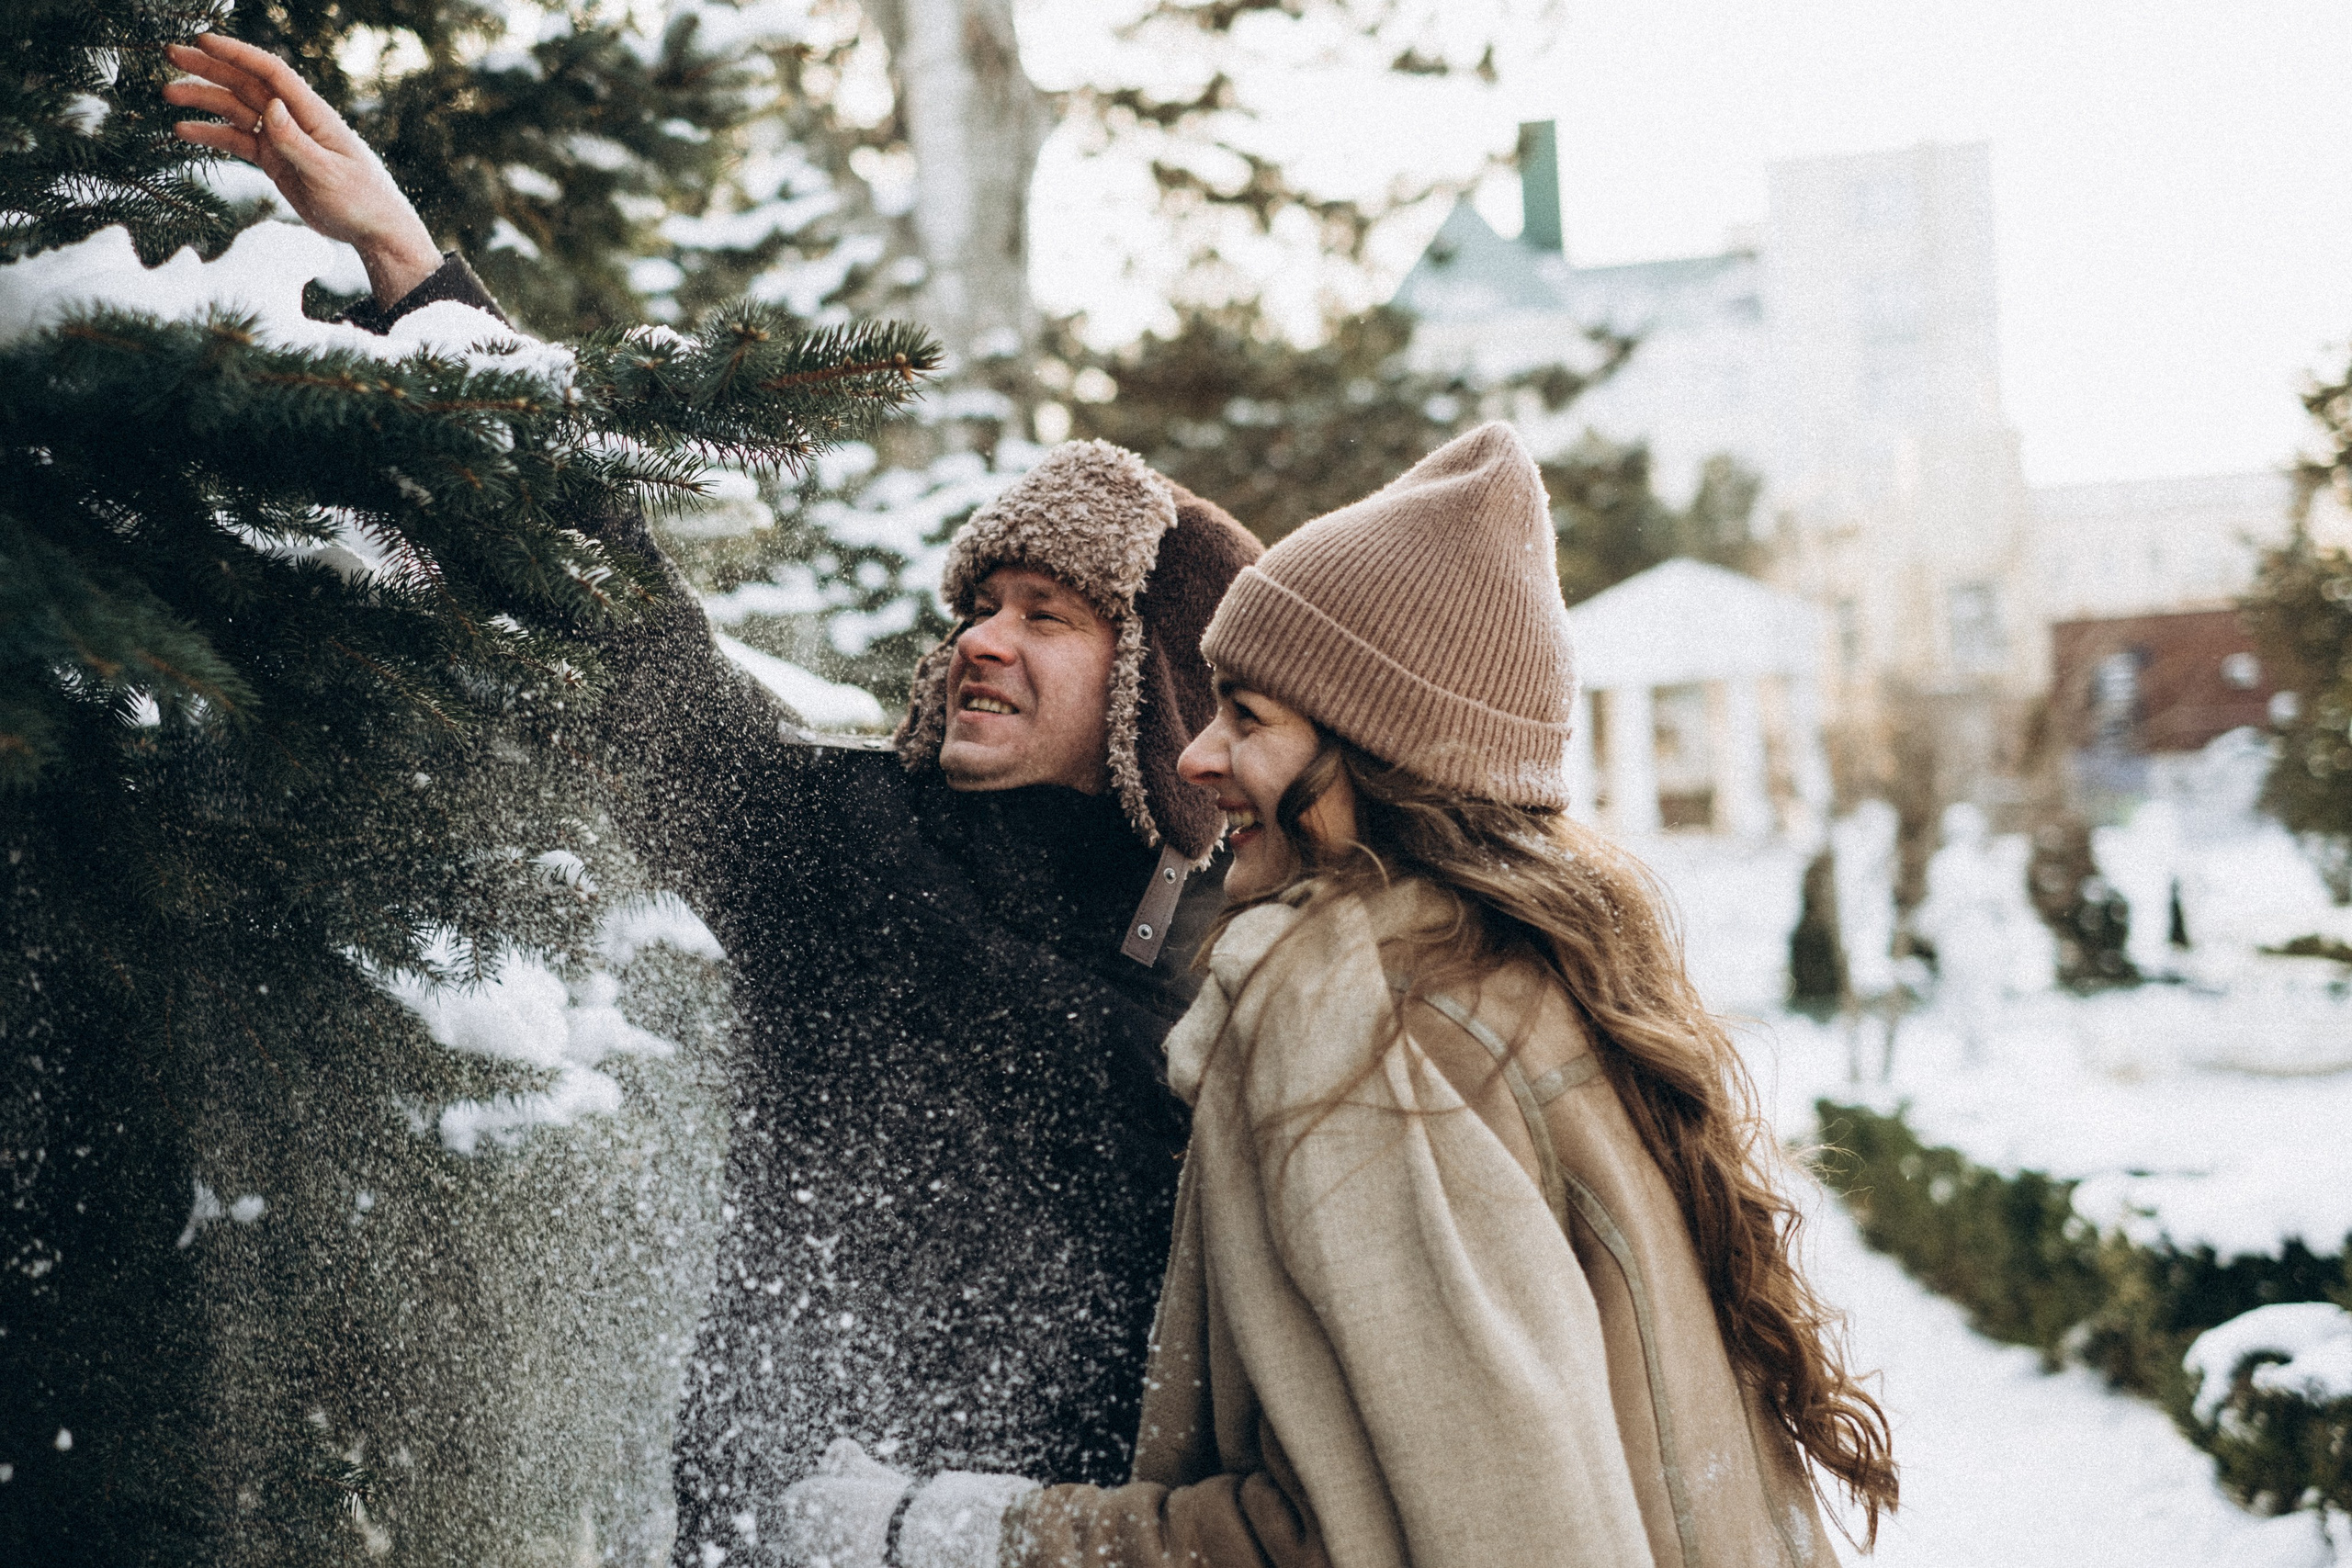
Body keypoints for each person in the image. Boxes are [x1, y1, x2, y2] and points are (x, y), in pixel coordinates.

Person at [163, 34, 1267, 1564]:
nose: (984, 643)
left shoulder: (1241, 970)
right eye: (980, 604)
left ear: (1156, 684)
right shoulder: (846, 859)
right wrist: (413, 268)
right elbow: (617, 620)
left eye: (1047, 614)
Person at [777, 423, 1898, 1568]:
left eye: (1247, 719)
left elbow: (1377, 1539)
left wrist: (942, 1531)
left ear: (1373, 755)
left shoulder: (1365, 1027)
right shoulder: (1537, 978)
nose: (1199, 758)